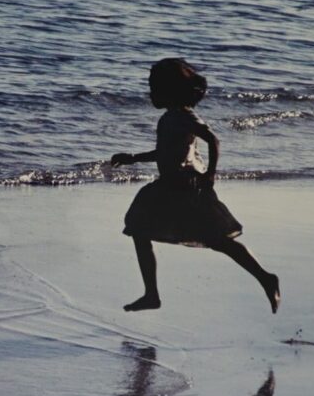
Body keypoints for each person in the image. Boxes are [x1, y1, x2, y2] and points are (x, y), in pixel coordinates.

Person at [111, 58, 280, 313]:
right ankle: (151, 294)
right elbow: (164, 152)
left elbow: (213, 140)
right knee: (140, 230)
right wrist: (132, 158)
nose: (150, 92)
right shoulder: (170, 118)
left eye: (154, 87)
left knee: (217, 241)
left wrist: (210, 175)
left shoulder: (182, 116)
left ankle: (266, 277)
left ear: (169, 90)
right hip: (170, 187)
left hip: (185, 190)